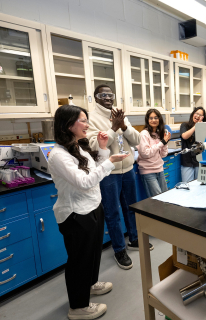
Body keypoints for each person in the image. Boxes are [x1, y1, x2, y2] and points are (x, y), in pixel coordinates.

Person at [49, 105, 129, 320]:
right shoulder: (58, 155)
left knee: (93, 253)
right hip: (75, 214)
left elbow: (96, 171)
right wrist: (110, 161)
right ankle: (78, 307)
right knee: (79, 261)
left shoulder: (78, 147)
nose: (87, 124)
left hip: (92, 207)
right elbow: (85, 182)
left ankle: (90, 284)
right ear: (68, 125)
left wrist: (104, 148)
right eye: (83, 120)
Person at [86, 84, 153, 271]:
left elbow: (137, 140)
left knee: (132, 207)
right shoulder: (91, 119)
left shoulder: (119, 114)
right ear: (95, 97)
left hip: (128, 169)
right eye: (103, 95)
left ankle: (133, 239)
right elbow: (94, 145)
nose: (108, 98)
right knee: (112, 212)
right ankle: (119, 249)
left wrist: (124, 125)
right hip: (109, 172)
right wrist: (114, 129)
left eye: (110, 94)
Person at [137, 109, 171, 197]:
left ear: (159, 119)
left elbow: (163, 154)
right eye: (151, 118)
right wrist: (162, 143)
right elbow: (145, 153)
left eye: (156, 118)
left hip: (159, 169)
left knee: (165, 196)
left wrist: (165, 143)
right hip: (148, 171)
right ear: (147, 120)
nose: (153, 120)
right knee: (157, 199)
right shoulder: (144, 134)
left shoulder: (159, 133)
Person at [180, 106, 206, 182]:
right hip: (187, 163)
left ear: (203, 118)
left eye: (200, 115)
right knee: (188, 186)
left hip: (198, 162)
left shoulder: (203, 128)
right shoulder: (184, 125)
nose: (198, 116)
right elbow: (184, 136)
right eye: (196, 113)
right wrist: (196, 126)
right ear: (193, 114)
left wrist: (200, 127)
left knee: (199, 185)